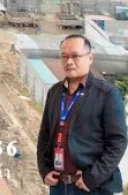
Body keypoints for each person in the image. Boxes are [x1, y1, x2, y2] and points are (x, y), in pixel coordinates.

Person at [37, 35, 127, 194]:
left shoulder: (107, 93)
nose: (69, 61)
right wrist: (44, 170)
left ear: (90, 58)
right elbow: (45, 135)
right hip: (58, 185)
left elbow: (118, 142)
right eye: (64, 56)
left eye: (75, 56)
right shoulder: (55, 92)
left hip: (90, 187)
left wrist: (92, 178)